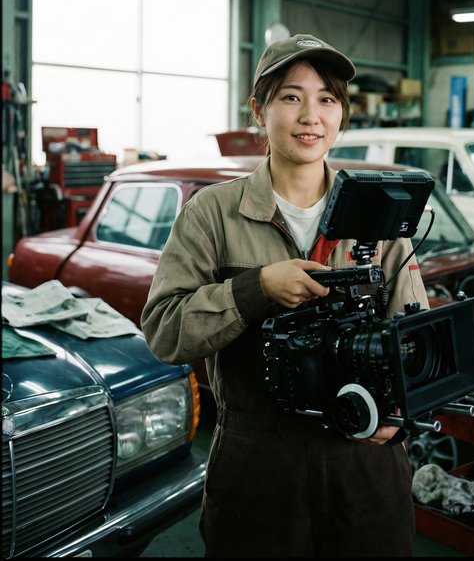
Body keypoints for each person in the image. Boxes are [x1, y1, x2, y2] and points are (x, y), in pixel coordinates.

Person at [141, 33, 430, 558]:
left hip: (363, 460)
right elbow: (164, 332)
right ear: (259, 109)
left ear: (342, 113)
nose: (311, 116)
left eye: (327, 99)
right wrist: (254, 290)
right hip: (258, 461)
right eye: (291, 97)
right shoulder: (212, 213)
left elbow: (416, 335)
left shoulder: (379, 209)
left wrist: (398, 415)